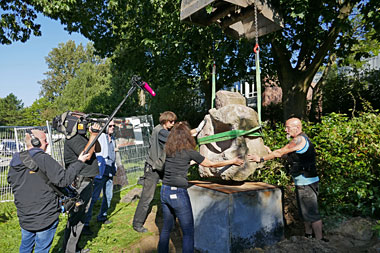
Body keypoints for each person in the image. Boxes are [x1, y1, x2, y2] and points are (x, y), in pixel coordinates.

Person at [158, 122, 244, 253]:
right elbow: (210, 164)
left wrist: (190, 162)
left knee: (166, 229)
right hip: (178, 194)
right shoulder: (190, 152)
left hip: (164, 190)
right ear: (187, 137)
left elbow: (180, 163)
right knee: (188, 232)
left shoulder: (170, 151)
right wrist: (232, 161)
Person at [8, 129, 90, 253]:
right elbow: (64, 180)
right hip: (44, 215)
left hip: (25, 215)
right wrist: (79, 162)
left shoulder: (15, 160)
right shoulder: (43, 158)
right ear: (35, 142)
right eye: (44, 140)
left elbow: (11, 180)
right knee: (42, 248)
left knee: (26, 246)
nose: (47, 143)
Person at [247, 117, 327, 241]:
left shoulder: (299, 140)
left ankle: (319, 241)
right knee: (305, 212)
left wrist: (261, 158)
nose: (285, 130)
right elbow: (286, 156)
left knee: (312, 213)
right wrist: (271, 152)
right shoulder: (298, 141)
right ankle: (308, 236)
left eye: (288, 127)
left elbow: (280, 152)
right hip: (303, 182)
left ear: (297, 128)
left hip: (307, 183)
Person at [132, 111, 177, 233]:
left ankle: (169, 220)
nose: (173, 124)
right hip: (152, 169)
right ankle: (137, 224)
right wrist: (190, 133)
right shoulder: (160, 131)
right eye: (171, 121)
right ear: (164, 121)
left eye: (174, 122)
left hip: (161, 167)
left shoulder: (163, 130)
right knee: (147, 197)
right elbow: (174, 139)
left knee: (168, 194)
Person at [62, 113, 101, 253]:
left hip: (86, 180)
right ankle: (69, 250)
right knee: (76, 216)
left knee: (80, 216)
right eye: (83, 121)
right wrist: (92, 136)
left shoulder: (82, 137)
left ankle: (73, 248)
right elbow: (87, 155)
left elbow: (97, 149)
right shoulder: (73, 139)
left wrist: (94, 135)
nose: (85, 124)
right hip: (80, 182)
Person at [83, 120, 117, 235]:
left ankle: (102, 216)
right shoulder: (100, 136)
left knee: (109, 196)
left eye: (113, 126)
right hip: (100, 172)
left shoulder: (112, 138)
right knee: (93, 198)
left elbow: (113, 154)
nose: (112, 127)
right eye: (110, 126)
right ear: (105, 127)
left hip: (110, 171)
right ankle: (85, 224)